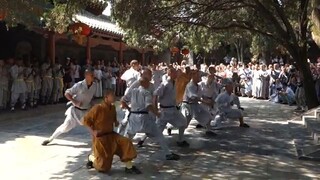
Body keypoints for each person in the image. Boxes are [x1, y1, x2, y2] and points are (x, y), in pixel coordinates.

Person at [121, 77, 180, 160]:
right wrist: (157, 113)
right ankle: (168, 154)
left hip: (133, 117)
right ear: (144, 83)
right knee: (159, 135)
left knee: (128, 136)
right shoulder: (146, 92)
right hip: (145, 118)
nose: (149, 84)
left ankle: (121, 152)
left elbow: (123, 101)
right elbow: (148, 105)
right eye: (148, 82)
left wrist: (129, 109)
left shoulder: (133, 91)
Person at [83, 90, 141, 174]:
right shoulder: (97, 108)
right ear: (106, 97)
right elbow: (86, 120)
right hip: (100, 138)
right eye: (112, 95)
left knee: (126, 142)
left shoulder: (113, 107)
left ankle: (129, 166)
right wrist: (93, 132)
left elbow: (114, 119)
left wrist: (116, 122)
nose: (114, 97)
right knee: (103, 167)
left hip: (111, 135)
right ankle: (91, 157)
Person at [42, 68, 97, 146]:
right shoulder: (79, 85)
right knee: (65, 128)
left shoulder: (94, 86)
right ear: (86, 76)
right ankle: (50, 139)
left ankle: (99, 143)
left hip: (86, 111)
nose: (93, 76)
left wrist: (93, 105)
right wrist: (74, 101)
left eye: (93, 75)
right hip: (75, 112)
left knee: (92, 125)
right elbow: (67, 93)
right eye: (91, 75)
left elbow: (90, 97)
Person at [153, 67, 189, 147]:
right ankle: (143, 140)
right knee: (157, 129)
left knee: (183, 122)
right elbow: (155, 94)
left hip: (173, 109)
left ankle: (180, 140)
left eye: (176, 72)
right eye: (174, 73)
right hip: (164, 110)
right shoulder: (165, 83)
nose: (176, 74)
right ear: (170, 73)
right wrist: (155, 110)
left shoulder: (175, 82)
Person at [181, 70, 217, 136]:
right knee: (184, 123)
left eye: (200, 75)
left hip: (195, 105)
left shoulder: (198, 86)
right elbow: (194, 97)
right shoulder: (190, 86)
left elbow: (201, 95)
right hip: (188, 106)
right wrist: (205, 101)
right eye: (198, 76)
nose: (200, 77)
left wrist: (210, 101)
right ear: (193, 76)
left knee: (207, 115)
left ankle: (208, 130)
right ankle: (170, 127)